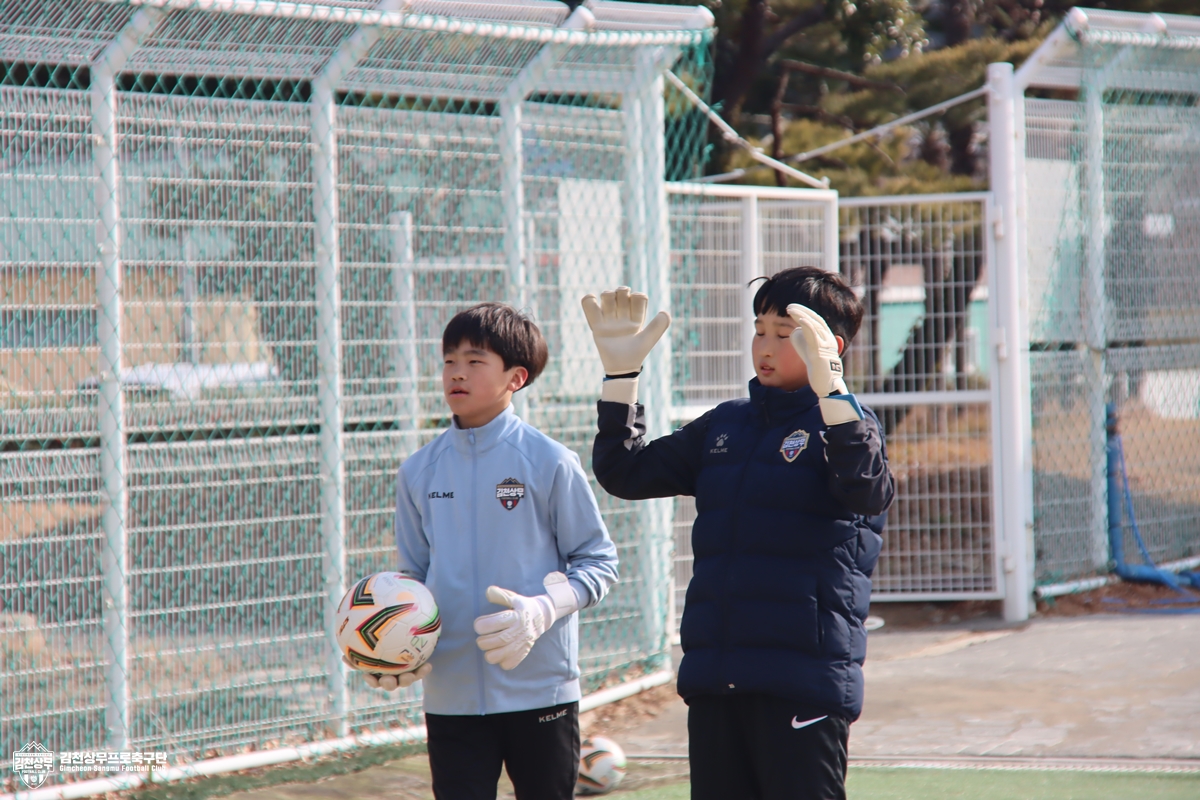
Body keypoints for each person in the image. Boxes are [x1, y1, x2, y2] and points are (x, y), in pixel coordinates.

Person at [586, 268, 894, 800]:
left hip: (802, 682)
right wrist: (620, 379)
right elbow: (625, 472)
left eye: (785, 334)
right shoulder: (726, 424)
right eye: (759, 330)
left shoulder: (849, 426)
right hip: (717, 679)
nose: (765, 347)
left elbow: (868, 490)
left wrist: (834, 393)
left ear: (831, 348)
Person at [359, 302, 619, 800]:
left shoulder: (550, 461)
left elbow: (599, 561)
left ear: (515, 378)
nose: (456, 373)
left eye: (475, 361)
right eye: (449, 360)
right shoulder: (417, 471)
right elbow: (411, 580)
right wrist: (390, 650)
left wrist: (544, 610)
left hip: (542, 690)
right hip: (450, 696)